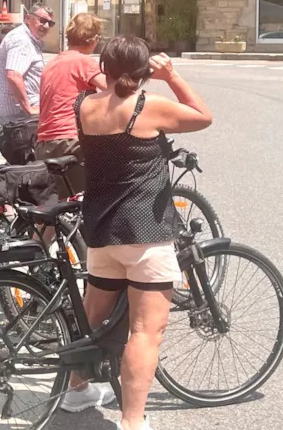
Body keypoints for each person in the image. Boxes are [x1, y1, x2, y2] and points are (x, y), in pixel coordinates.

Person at [60, 37, 212, 430]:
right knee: (145, 331)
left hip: (101, 229)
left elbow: (104, 89)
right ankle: (132, 421)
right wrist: (171, 75)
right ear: (143, 70)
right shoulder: (147, 106)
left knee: (94, 318)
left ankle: (77, 390)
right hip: (145, 232)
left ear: (104, 67)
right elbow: (203, 116)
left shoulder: (84, 105)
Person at [35, 12, 107, 197]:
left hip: (44, 143)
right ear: (94, 39)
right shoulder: (83, 61)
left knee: (58, 200)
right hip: (71, 140)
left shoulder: (52, 63)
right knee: (104, 187)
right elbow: (113, 90)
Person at [0, 3, 55, 164]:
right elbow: (14, 76)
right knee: (31, 166)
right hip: (19, 115)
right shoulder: (21, 40)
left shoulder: (28, 39)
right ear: (28, 19)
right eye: (42, 20)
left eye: (50, 23)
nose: (46, 26)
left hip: (19, 114)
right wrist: (28, 108)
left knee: (21, 165)